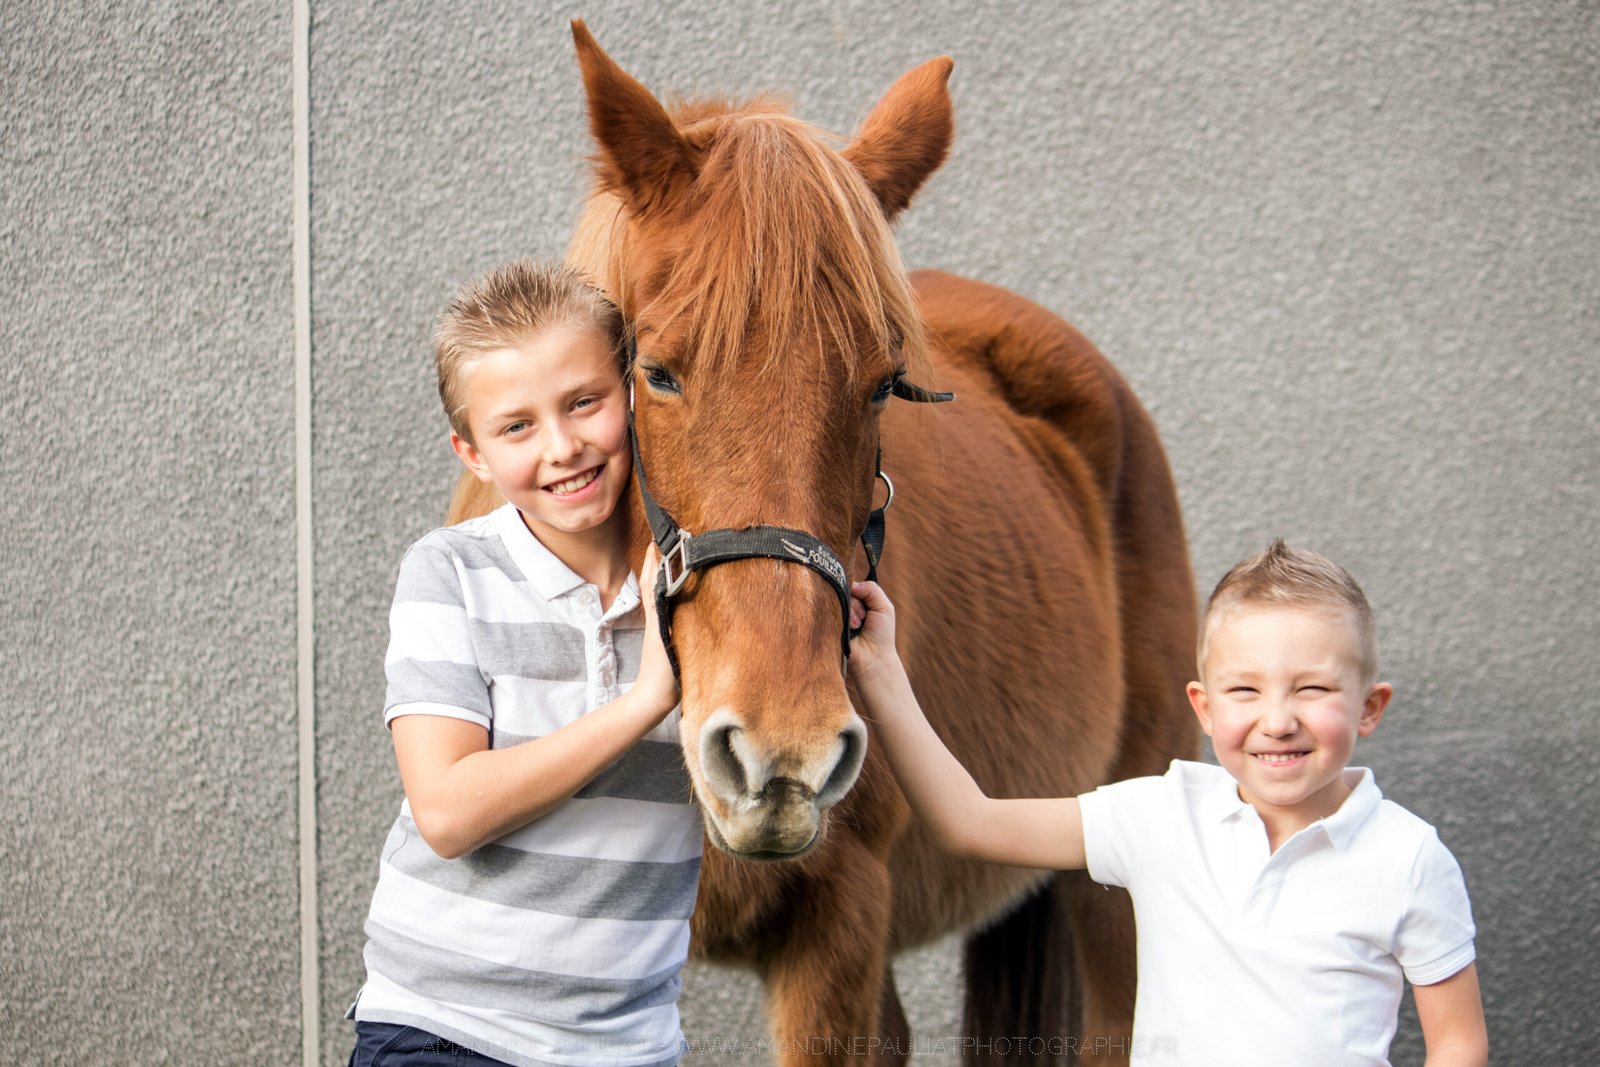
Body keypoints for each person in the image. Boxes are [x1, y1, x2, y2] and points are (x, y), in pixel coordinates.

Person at [847, 540, 1487, 1066]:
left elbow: (1457, 1041)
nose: (1278, 719)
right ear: (1204, 709)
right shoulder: (1161, 816)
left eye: (1312, 688)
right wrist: (880, 670)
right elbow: (970, 822)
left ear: (1370, 707)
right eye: (1245, 690)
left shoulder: (1408, 858)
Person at [349, 261, 696, 1067]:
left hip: (629, 1044)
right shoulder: (449, 572)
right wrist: (648, 698)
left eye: (585, 402)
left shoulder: (695, 584)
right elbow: (448, 810)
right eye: (517, 427)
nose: (563, 446)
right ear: (471, 453)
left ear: (634, 394)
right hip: (446, 1028)